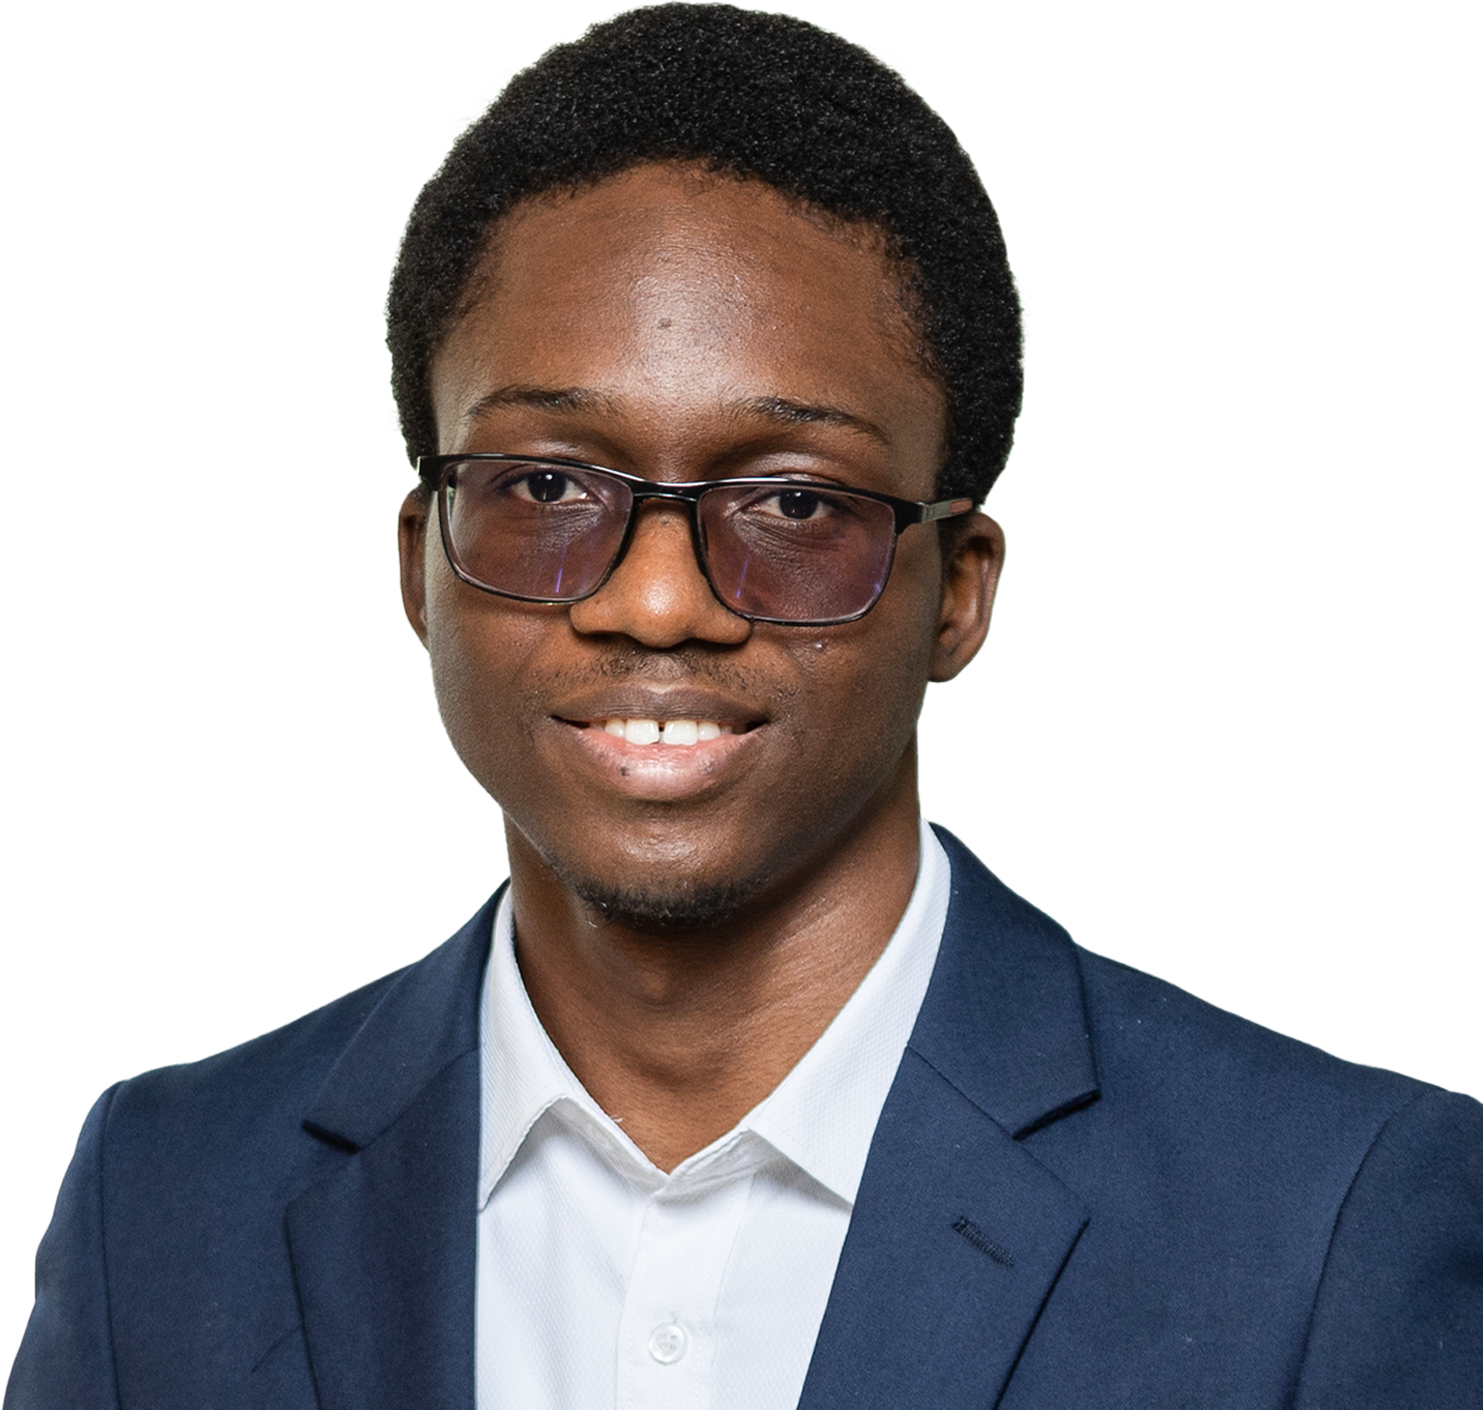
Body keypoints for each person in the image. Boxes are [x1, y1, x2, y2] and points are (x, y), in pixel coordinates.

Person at [7, 3, 1482, 1406]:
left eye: (790, 500)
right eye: (544, 486)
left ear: (957, 590)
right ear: (423, 565)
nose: (657, 599)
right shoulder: (166, 1199)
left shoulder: (1331, 1226)